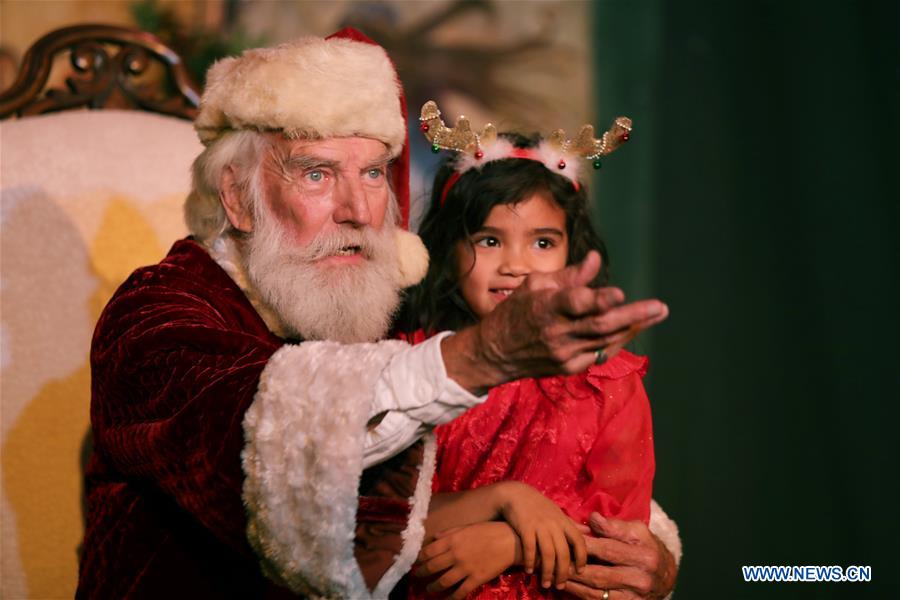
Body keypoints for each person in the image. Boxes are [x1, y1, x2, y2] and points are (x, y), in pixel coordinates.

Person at [77, 30, 673, 599]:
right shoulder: (157, 314)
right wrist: (488, 355)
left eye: (371, 174)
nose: (359, 211)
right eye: (316, 173)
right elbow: (280, 440)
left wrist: (649, 555)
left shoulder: (359, 302)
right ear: (237, 197)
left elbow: (547, 474)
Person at [397, 110, 680, 599]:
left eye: (543, 243)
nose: (516, 266)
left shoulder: (608, 382)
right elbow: (375, 523)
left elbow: (621, 545)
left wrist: (511, 543)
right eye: (488, 240)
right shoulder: (413, 362)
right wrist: (503, 500)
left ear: (573, 256)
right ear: (448, 249)